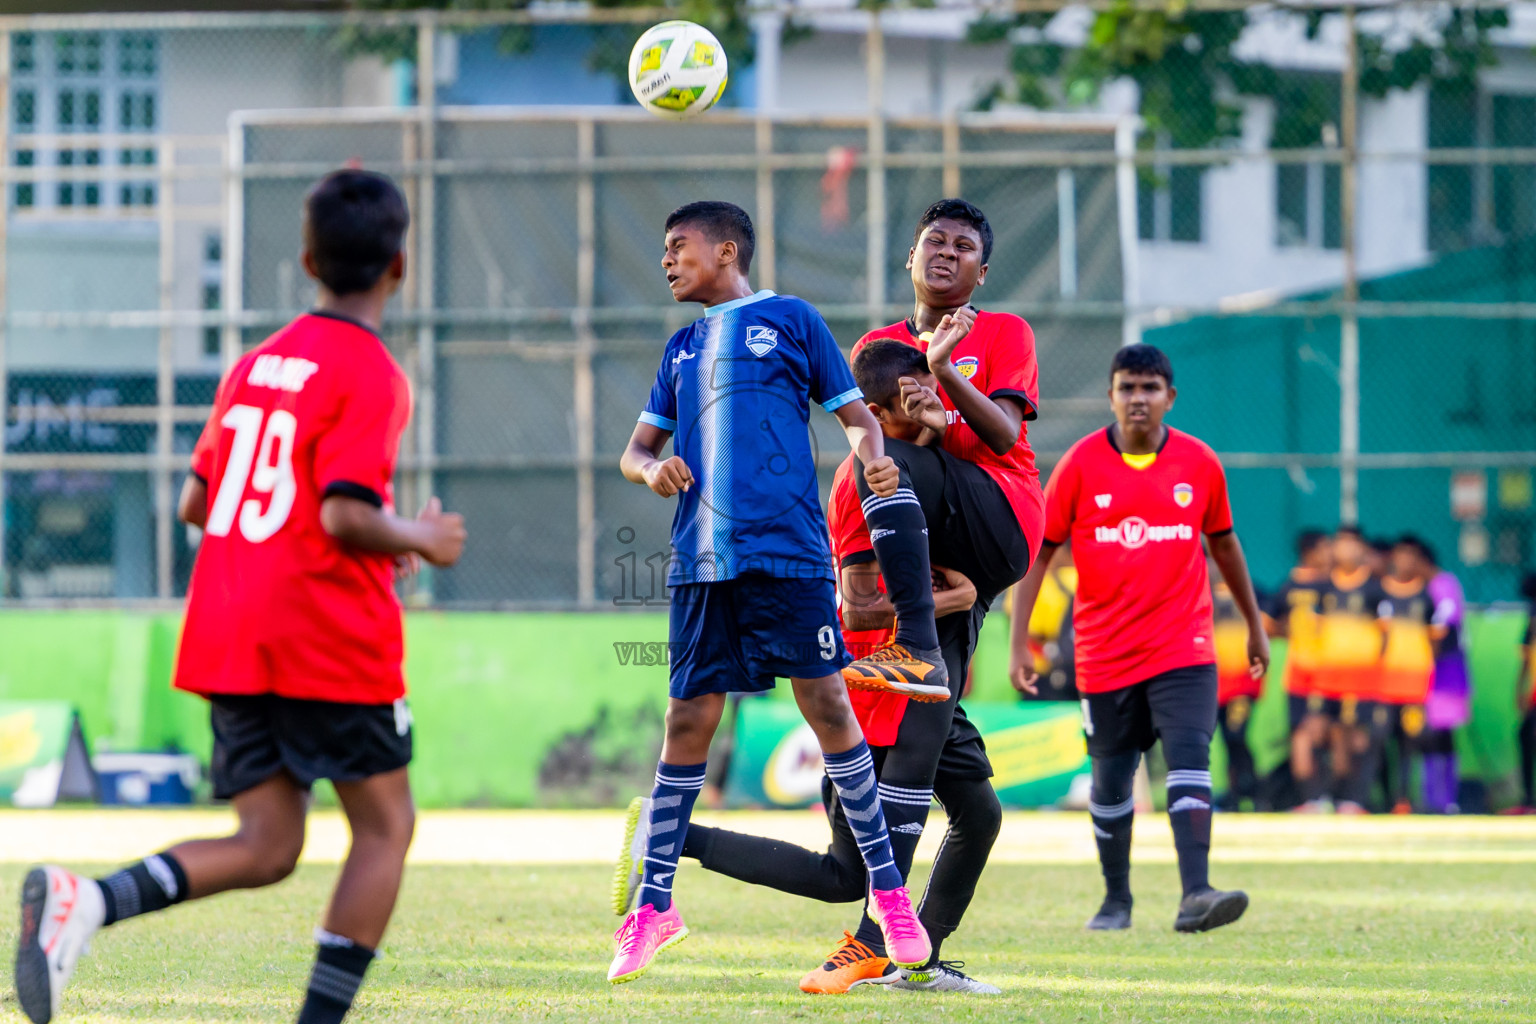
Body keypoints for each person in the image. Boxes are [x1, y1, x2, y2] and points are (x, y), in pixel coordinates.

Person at [13, 170, 467, 1024]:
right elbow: (342, 513)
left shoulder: (256, 364)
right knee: (384, 829)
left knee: (267, 847)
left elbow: (198, 502)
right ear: (399, 266)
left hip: (228, 626)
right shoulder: (369, 370)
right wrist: (418, 537)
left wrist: (359, 530)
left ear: (306, 259)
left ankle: (89, 903)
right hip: (322, 632)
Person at [616, 340, 1007, 995]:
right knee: (843, 877)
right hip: (877, 690)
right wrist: (956, 597)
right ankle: (675, 837)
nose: (933, 397)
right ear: (877, 412)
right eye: (917, 390)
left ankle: (919, 960)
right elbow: (856, 610)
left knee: (980, 813)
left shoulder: (921, 466)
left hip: (927, 693)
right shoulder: (863, 479)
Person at [609, 200, 932, 985]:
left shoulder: (790, 319)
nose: (666, 260)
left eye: (677, 246)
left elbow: (857, 417)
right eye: (663, 248)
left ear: (726, 251)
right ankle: (654, 908)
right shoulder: (680, 346)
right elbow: (636, 448)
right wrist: (652, 470)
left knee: (826, 707)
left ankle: (891, 898)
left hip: (788, 558)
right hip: (700, 565)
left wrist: (875, 458)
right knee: (688, 719)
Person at [1009, 343, 1268, 933]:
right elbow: (1040, 555)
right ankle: (1116, 900)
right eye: (1127, 387)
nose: (1138, 399)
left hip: (1185, 648)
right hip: (1105, 654)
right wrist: (1020, 640)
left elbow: (1225, 545)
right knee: (1110, 779)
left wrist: (1253, 626)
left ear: (1169, 398)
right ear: (1111, 396)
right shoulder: (1079, 465)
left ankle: (1196, 893)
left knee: (1189, 759)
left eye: (1150, 389)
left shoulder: (1200, 464)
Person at [840, 198, 1041, 697]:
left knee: (881, 460)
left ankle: (914, 640)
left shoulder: (1005, 332)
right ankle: (922, 661)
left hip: (999, 517)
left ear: (983, 272)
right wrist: (931, 429)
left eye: (964, 247)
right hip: (924, 535)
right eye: (936, 241)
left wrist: (944, 369)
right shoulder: (876, 347)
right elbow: (867, 433)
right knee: (932, 710)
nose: (947, 253)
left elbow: (1003, 437)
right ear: (911, 256)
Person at [1312, 525, 1388, 813]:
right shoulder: (1324, 587)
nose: (1346, 550)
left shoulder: (1375, 589)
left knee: (1359, 740)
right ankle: (1326, 796)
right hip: (1329, 677)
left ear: (1362, 550)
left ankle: (1356, 799)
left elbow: (1386, 635)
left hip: (1362, 678)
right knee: (1326, 735)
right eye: (1341, 544)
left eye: (1352, 544)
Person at [1374, 538, 1443, 813]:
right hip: (1384, 682)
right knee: (1379, 740)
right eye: (1400, 557)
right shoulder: (1381, 593)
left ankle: (1403, 799)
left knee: (1409, 744)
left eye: (1410, 557)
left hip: (1414, 684)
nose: (1404, 562)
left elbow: (1436, 638)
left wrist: (1427, 667)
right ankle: (1383, 796)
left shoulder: (1426, 597)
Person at [1265, 530, 1331, 809]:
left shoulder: (1289, 585)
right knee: (1311, 735)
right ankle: (1316, 799)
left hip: (1305, 675)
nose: (1330, 554)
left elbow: (1266, 622)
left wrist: (1285, 632)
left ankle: (1313, 800)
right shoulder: (1327, 585)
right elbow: (1267, 623)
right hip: (1316, 673)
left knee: (1309, 735)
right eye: (1326, 548)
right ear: (1311, 552)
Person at [1414, 537, 1471, 814]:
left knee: (1440, 733)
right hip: (1428, 672)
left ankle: (1445, 799)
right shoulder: (1422, 588)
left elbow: (1446, 628)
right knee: (1426, 734)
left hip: (1446, 671)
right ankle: (1431, 796)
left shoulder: (1443, 585)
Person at [1214, 573, 1262, 810]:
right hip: (1213, 683)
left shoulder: (1251, 592)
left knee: (1236, 735)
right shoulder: (1201, 594)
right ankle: (1235, 795)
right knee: (1224, 739)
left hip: (1242, 683)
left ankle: (1252, 791)